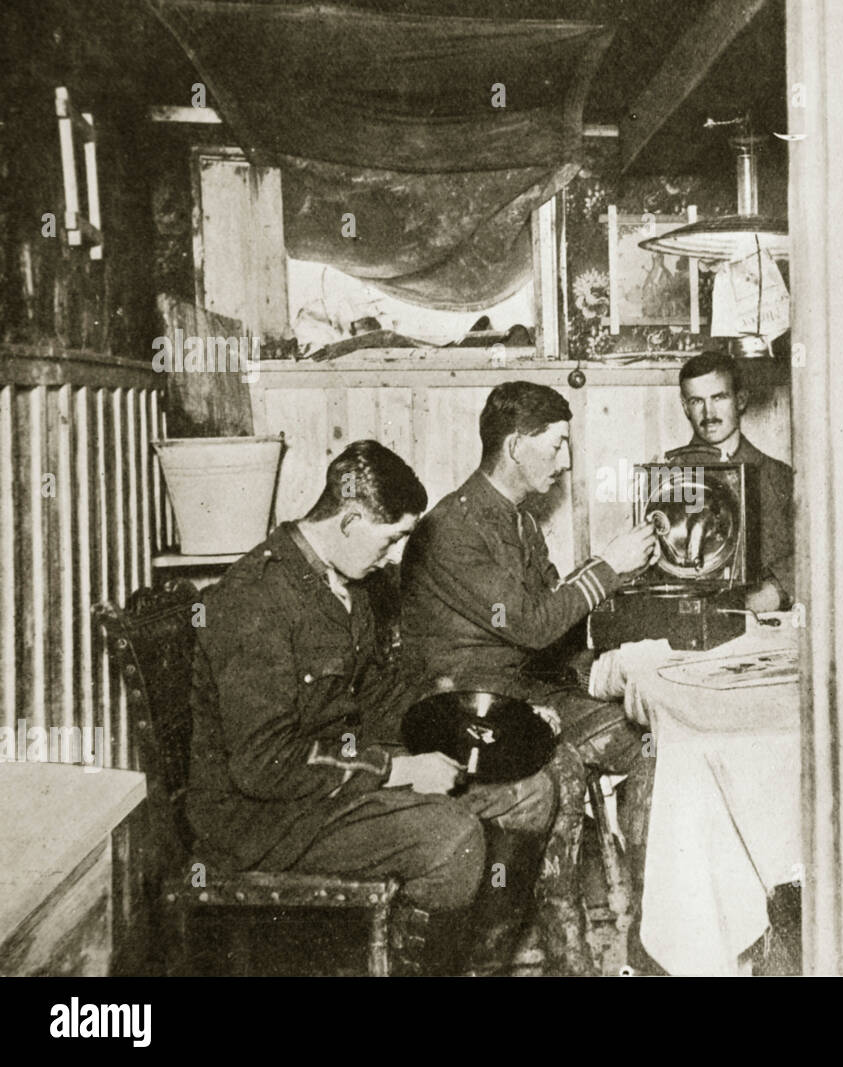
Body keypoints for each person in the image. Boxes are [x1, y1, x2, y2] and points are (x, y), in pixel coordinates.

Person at [186, 440, 559, 975]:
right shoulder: (255, 600)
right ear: (350, 519)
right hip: (263, 819)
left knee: (528, 791)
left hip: (330, 783)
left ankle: (481, 962)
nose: (391, 557)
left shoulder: (346, 581)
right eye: (391, 540)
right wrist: (399, 770)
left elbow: (378, 695)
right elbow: (264, 763)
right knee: (450, 840)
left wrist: (492, 718)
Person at [400, 381, 659, 974]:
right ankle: (568, 957)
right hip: (460, 710)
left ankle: (648, 938)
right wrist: (607, 568)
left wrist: (605, 665)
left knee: (649, 735)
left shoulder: (517, 522)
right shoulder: (452, 529)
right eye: (558, 445)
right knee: (560, 768)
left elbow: (553, 632)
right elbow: (536, 625)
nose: (566, 461)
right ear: (517, 446)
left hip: (523, 694)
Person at [664, 352, 795, 612]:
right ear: (684, 406)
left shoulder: (779, 478)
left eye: (719, 397)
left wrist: (776, 591)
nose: (708, 412)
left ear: (741, 400)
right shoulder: (667, 481)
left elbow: (811, 554)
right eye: (696, 401)